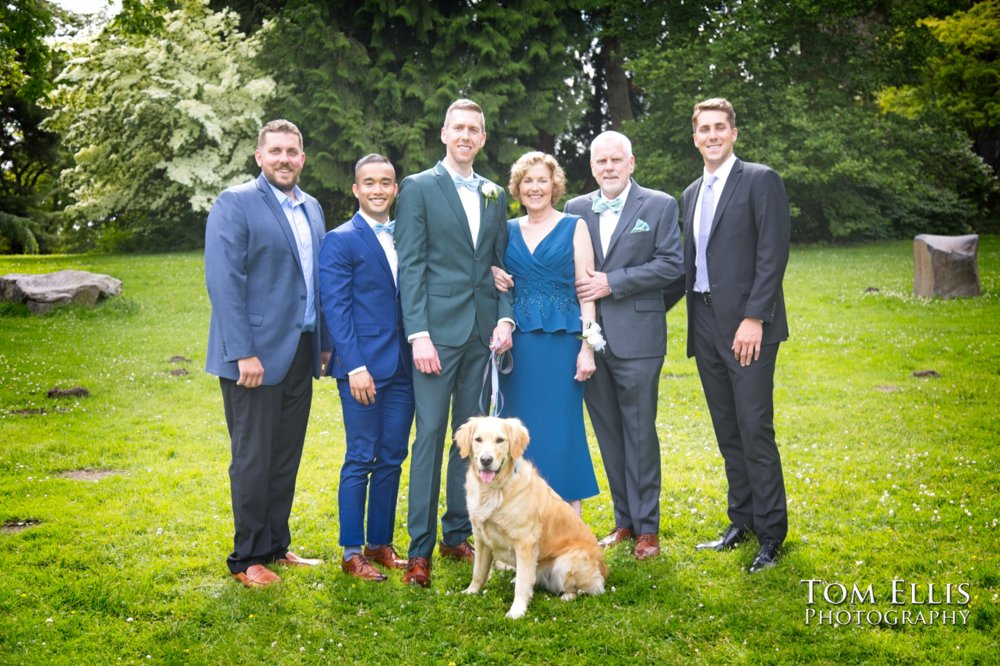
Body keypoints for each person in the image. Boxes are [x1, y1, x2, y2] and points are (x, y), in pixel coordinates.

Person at [394, 99, 515, 587]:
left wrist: (505, 321)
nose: (466, 135)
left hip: (479, 337)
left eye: (475, 129)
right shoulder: (419, 188)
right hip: (435, 336)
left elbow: (502, 269)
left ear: (483, 138)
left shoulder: (494, 193)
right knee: (428, 440)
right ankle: (419, 550)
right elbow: (412, 265)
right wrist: (418, 333)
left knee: (467, 443)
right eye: (458, 127)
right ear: (444, 133)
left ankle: (455, 534)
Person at [205, 119, 330, 587]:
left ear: (302, 157)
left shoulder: (312, 207)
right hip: (252, 356)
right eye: (275, 151)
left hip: (300, 349)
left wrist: (324, 346)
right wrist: (243, 352)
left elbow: (316, 281)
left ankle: (276, 545)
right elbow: (224, 281)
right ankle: (246, 556)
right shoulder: (235, 203)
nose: (284, 159)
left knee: (285, 454)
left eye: (292, 151)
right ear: (259, 156)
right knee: (253, 456)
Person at [563, 131, 683, 561]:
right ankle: (624, 521)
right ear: (592, 167)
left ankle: (648, 528)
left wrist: (613, 283)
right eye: (601, 162)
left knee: (639, 432)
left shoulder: (660, 205)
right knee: (610, 433)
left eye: (617, 160)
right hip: (590, 342)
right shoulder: (575, 208)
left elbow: (672, 264)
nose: (609, 167)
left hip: (639, 339)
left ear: (631, 163)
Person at [683, 98, 790, 574]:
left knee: (754, 428)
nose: (711, 135)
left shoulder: (760, 180)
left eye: (719, 128)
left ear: (734, 133)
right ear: (694, 137)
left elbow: (773, 253)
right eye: (703, 129)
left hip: (747, 326)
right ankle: (740, 521)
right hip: (704, 322)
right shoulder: (691, 193)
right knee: (727, 429)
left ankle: (771, 536)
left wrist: (755, 317)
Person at [318, 154, 414, 582]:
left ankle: (380, 542)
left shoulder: (406, 235)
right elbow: (335, 308)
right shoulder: (341, 239)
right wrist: (354, 365)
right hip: (363, 368)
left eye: (386, 182)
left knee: (393, 455)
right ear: (356, 189)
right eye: (369, 182)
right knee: (361, 455)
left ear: (395, 189)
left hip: (404, 367)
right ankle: (351, 550)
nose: (378, 189)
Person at [491, 151, 600, 516]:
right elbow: (493, 279)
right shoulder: (505, 231)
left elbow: (587, 292)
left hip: (561, 347)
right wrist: (493, 274)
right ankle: (519, 531)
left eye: (542, 180)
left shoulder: (575, 226)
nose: (535, 188)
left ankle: (569, 529)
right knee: (519, 436)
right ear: (517, 189)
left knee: (563, 434)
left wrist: (588, 347)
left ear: (555, 186)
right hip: (518, 351)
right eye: (527, 181)